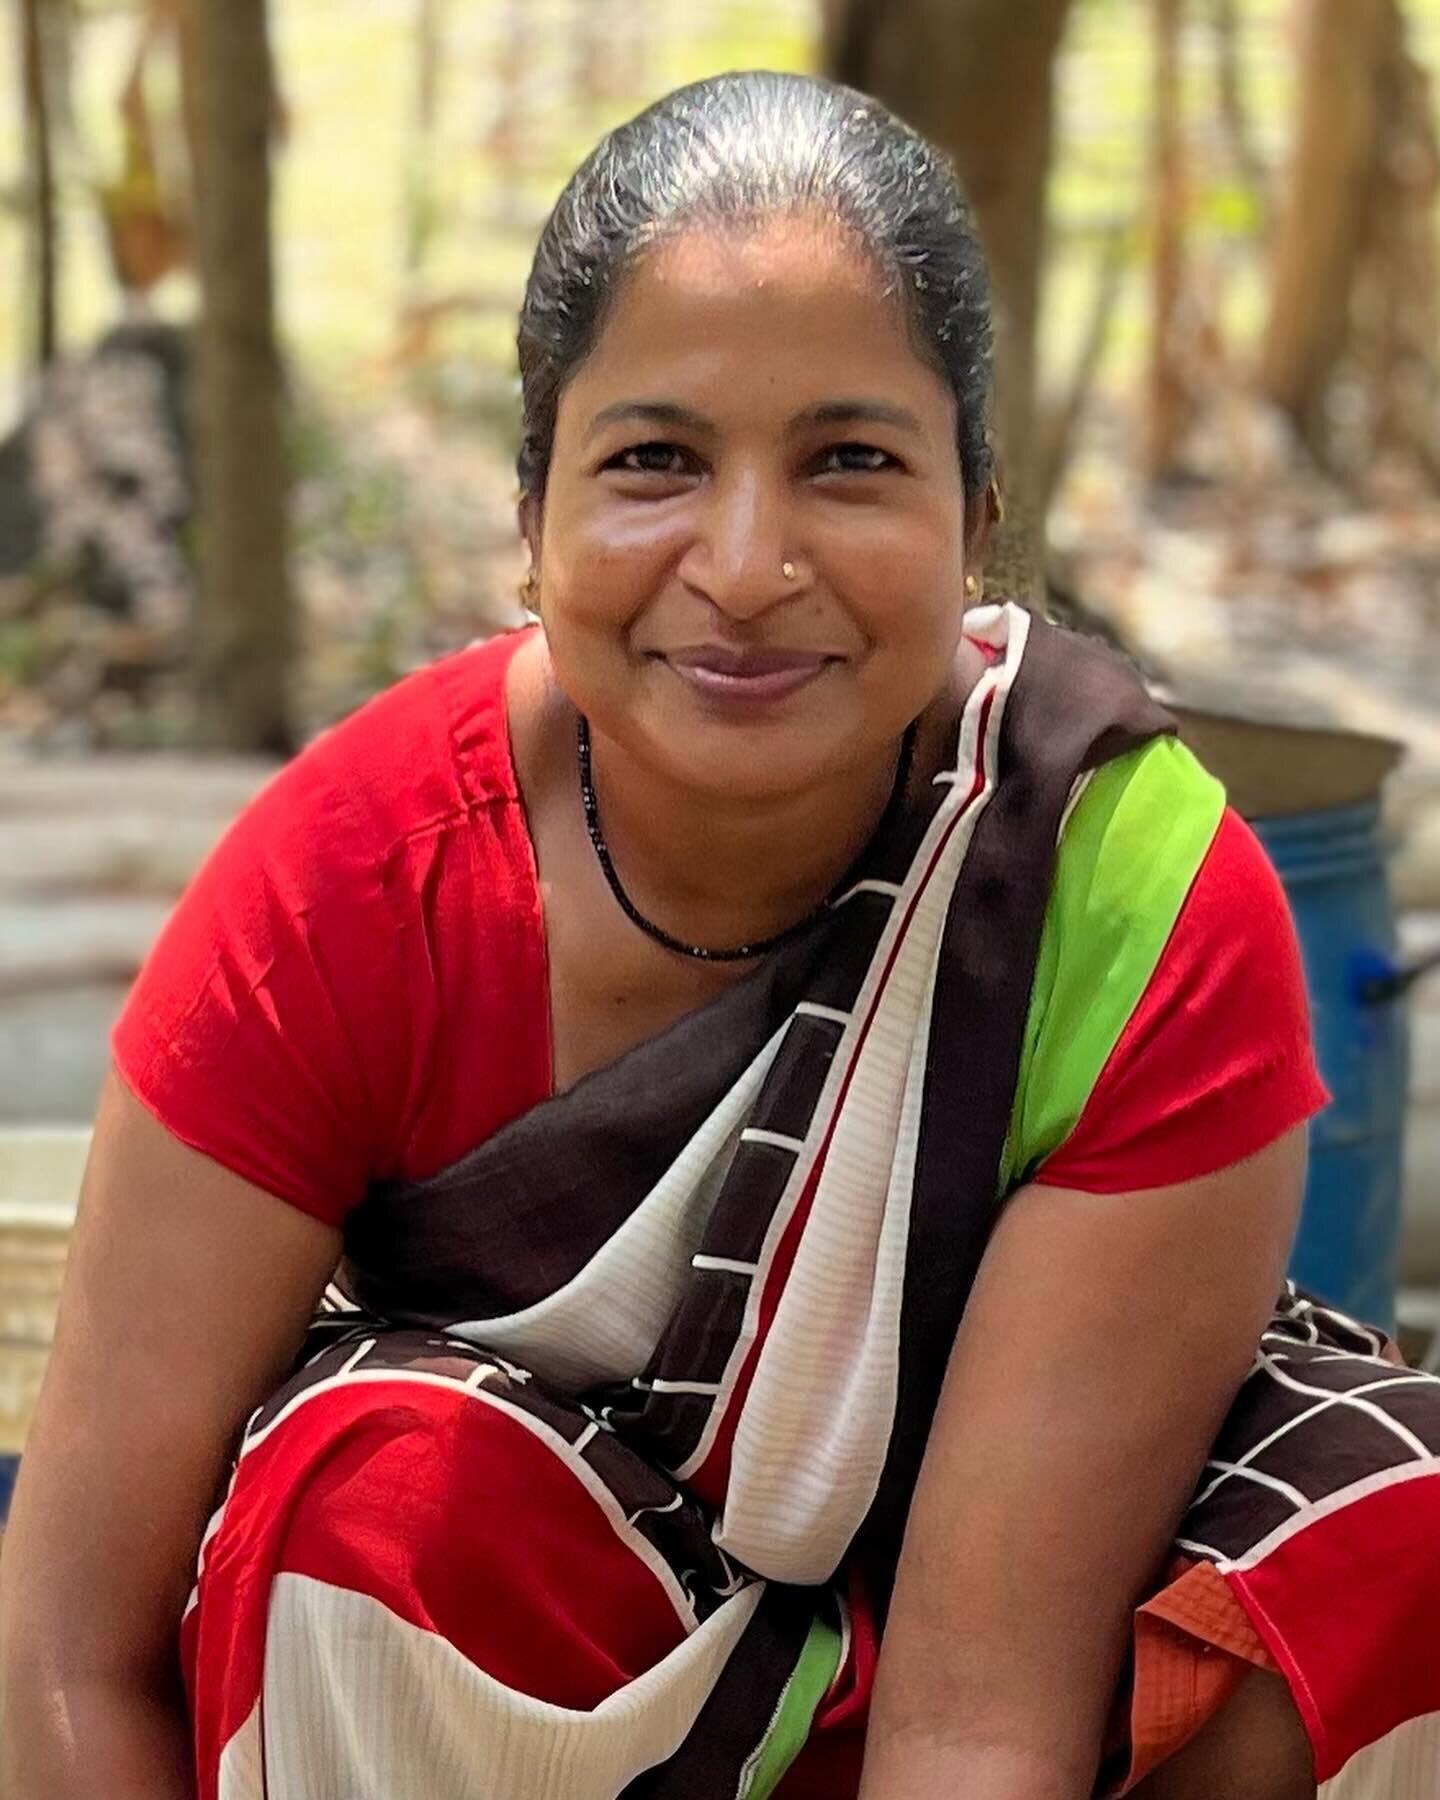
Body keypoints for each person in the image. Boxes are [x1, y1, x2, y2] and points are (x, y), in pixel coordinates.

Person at [2, 69, 1437, 1800]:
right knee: (371, 1493)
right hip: (510, 1704)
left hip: (1012, 1705)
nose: (747, 564)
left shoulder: (1125, 903)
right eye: (654, 463)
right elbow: (63, 1642)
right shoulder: (346, 891)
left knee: (1389, 1548)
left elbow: (979, 1719)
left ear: (976, 518)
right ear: (531, 524)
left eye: (848, 461)